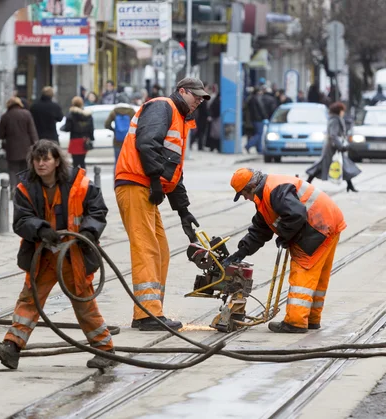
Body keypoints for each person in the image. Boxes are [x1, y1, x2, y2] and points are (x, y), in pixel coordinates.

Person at [0, 140, 114, 370]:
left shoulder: (80, 183)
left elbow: (98, 210)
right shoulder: (25, 188)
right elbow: (21, 220)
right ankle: (11, 347)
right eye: (37, 159)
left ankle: (105, 350)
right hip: (43, 255)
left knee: (84, 304)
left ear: (57, 161)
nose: (41, 163)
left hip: (73, 254)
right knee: (30, 299)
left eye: (46, 159)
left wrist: (87, 231)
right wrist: (41, 229)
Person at [114, 77, 210, 331]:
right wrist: (155, 181)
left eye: (202, 98)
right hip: (136, 183)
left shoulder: (179, 119)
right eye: (195, 95)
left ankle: (148, 311)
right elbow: (146, 144)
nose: (199, 101)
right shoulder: (162, 106)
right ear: (181, 91)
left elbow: (173, 172)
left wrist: (183, 211)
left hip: (145, 186)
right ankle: (148, 315)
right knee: (147, 248)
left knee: (160, 250)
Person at [225, 168, 346, 333]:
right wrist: (241, 252)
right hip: (328, 223)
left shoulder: (274, 191)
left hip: (317, 227)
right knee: (318, 278)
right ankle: (311, 319)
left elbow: (296, 215)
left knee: (303, 273)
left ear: (251, 187)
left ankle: (295, 322)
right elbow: (260, 230)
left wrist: (283, 234)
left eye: (244, 194)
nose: (245, 198)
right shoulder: (266, 193)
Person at [306, 102, 361, 192]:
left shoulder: (335, 119)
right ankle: (307, 181)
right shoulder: (335, 120)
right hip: (332, 148)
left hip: (334, 147)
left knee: (343, 165)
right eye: (342, 110)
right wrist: (340, 146)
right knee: (322, 165)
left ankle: (350, 185)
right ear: (339, 111)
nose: (343, 112)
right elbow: (333, 135)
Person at [0, 96, 39, 195]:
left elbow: (0, 134)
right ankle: (23, 189)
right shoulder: (27, 114)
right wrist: (36, 145)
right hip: (26, 147)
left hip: (11, 148)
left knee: (12, 169)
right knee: (25, 169)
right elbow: (32, 132)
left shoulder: (6, 116)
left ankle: (13, 188)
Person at [61, 96, 95, 169]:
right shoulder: (88, 115)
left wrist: (62, 128)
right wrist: (91, 138)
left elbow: (67, 128)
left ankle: (76, 178)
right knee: (82, 161)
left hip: (74, 140)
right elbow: (91, 128)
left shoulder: (71, 115)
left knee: (75, 163)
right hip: (84, 140)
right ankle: (83, 178)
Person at [104, 96, 136, 166]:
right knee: (128, 162)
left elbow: (107, 124)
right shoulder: (131, 111)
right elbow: (138, 124)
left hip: (117, 140)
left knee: (117, 162)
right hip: (129, 141)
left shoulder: (115, 111)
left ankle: (116, 176)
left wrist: (114, 130)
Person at [244, 88, 267, 153]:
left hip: (252, 119)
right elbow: (261, 108)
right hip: (258, 119)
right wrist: (265, 117)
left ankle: (259, 149)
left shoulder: (250, 98)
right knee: (259, 134)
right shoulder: (257, 98)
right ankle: (248, 145)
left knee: (258, 134)